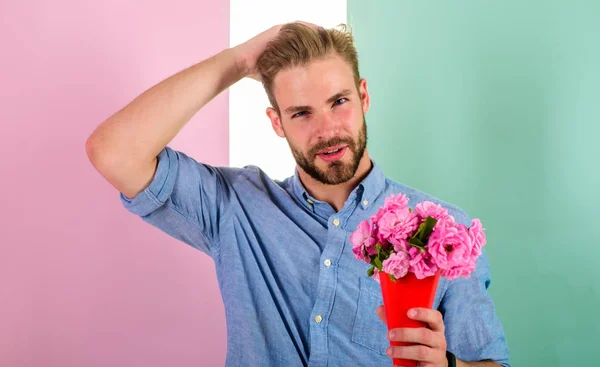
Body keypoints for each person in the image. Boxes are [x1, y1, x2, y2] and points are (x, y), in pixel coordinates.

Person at [86, 22, 510, 367]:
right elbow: (114, 152)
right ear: (277, 122)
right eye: (301, 113)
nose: (326, 131)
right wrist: (239, 60)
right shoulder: (235, 208)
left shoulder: (441, 231)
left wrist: (450, 366)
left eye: (339, 101)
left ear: (363, 97)